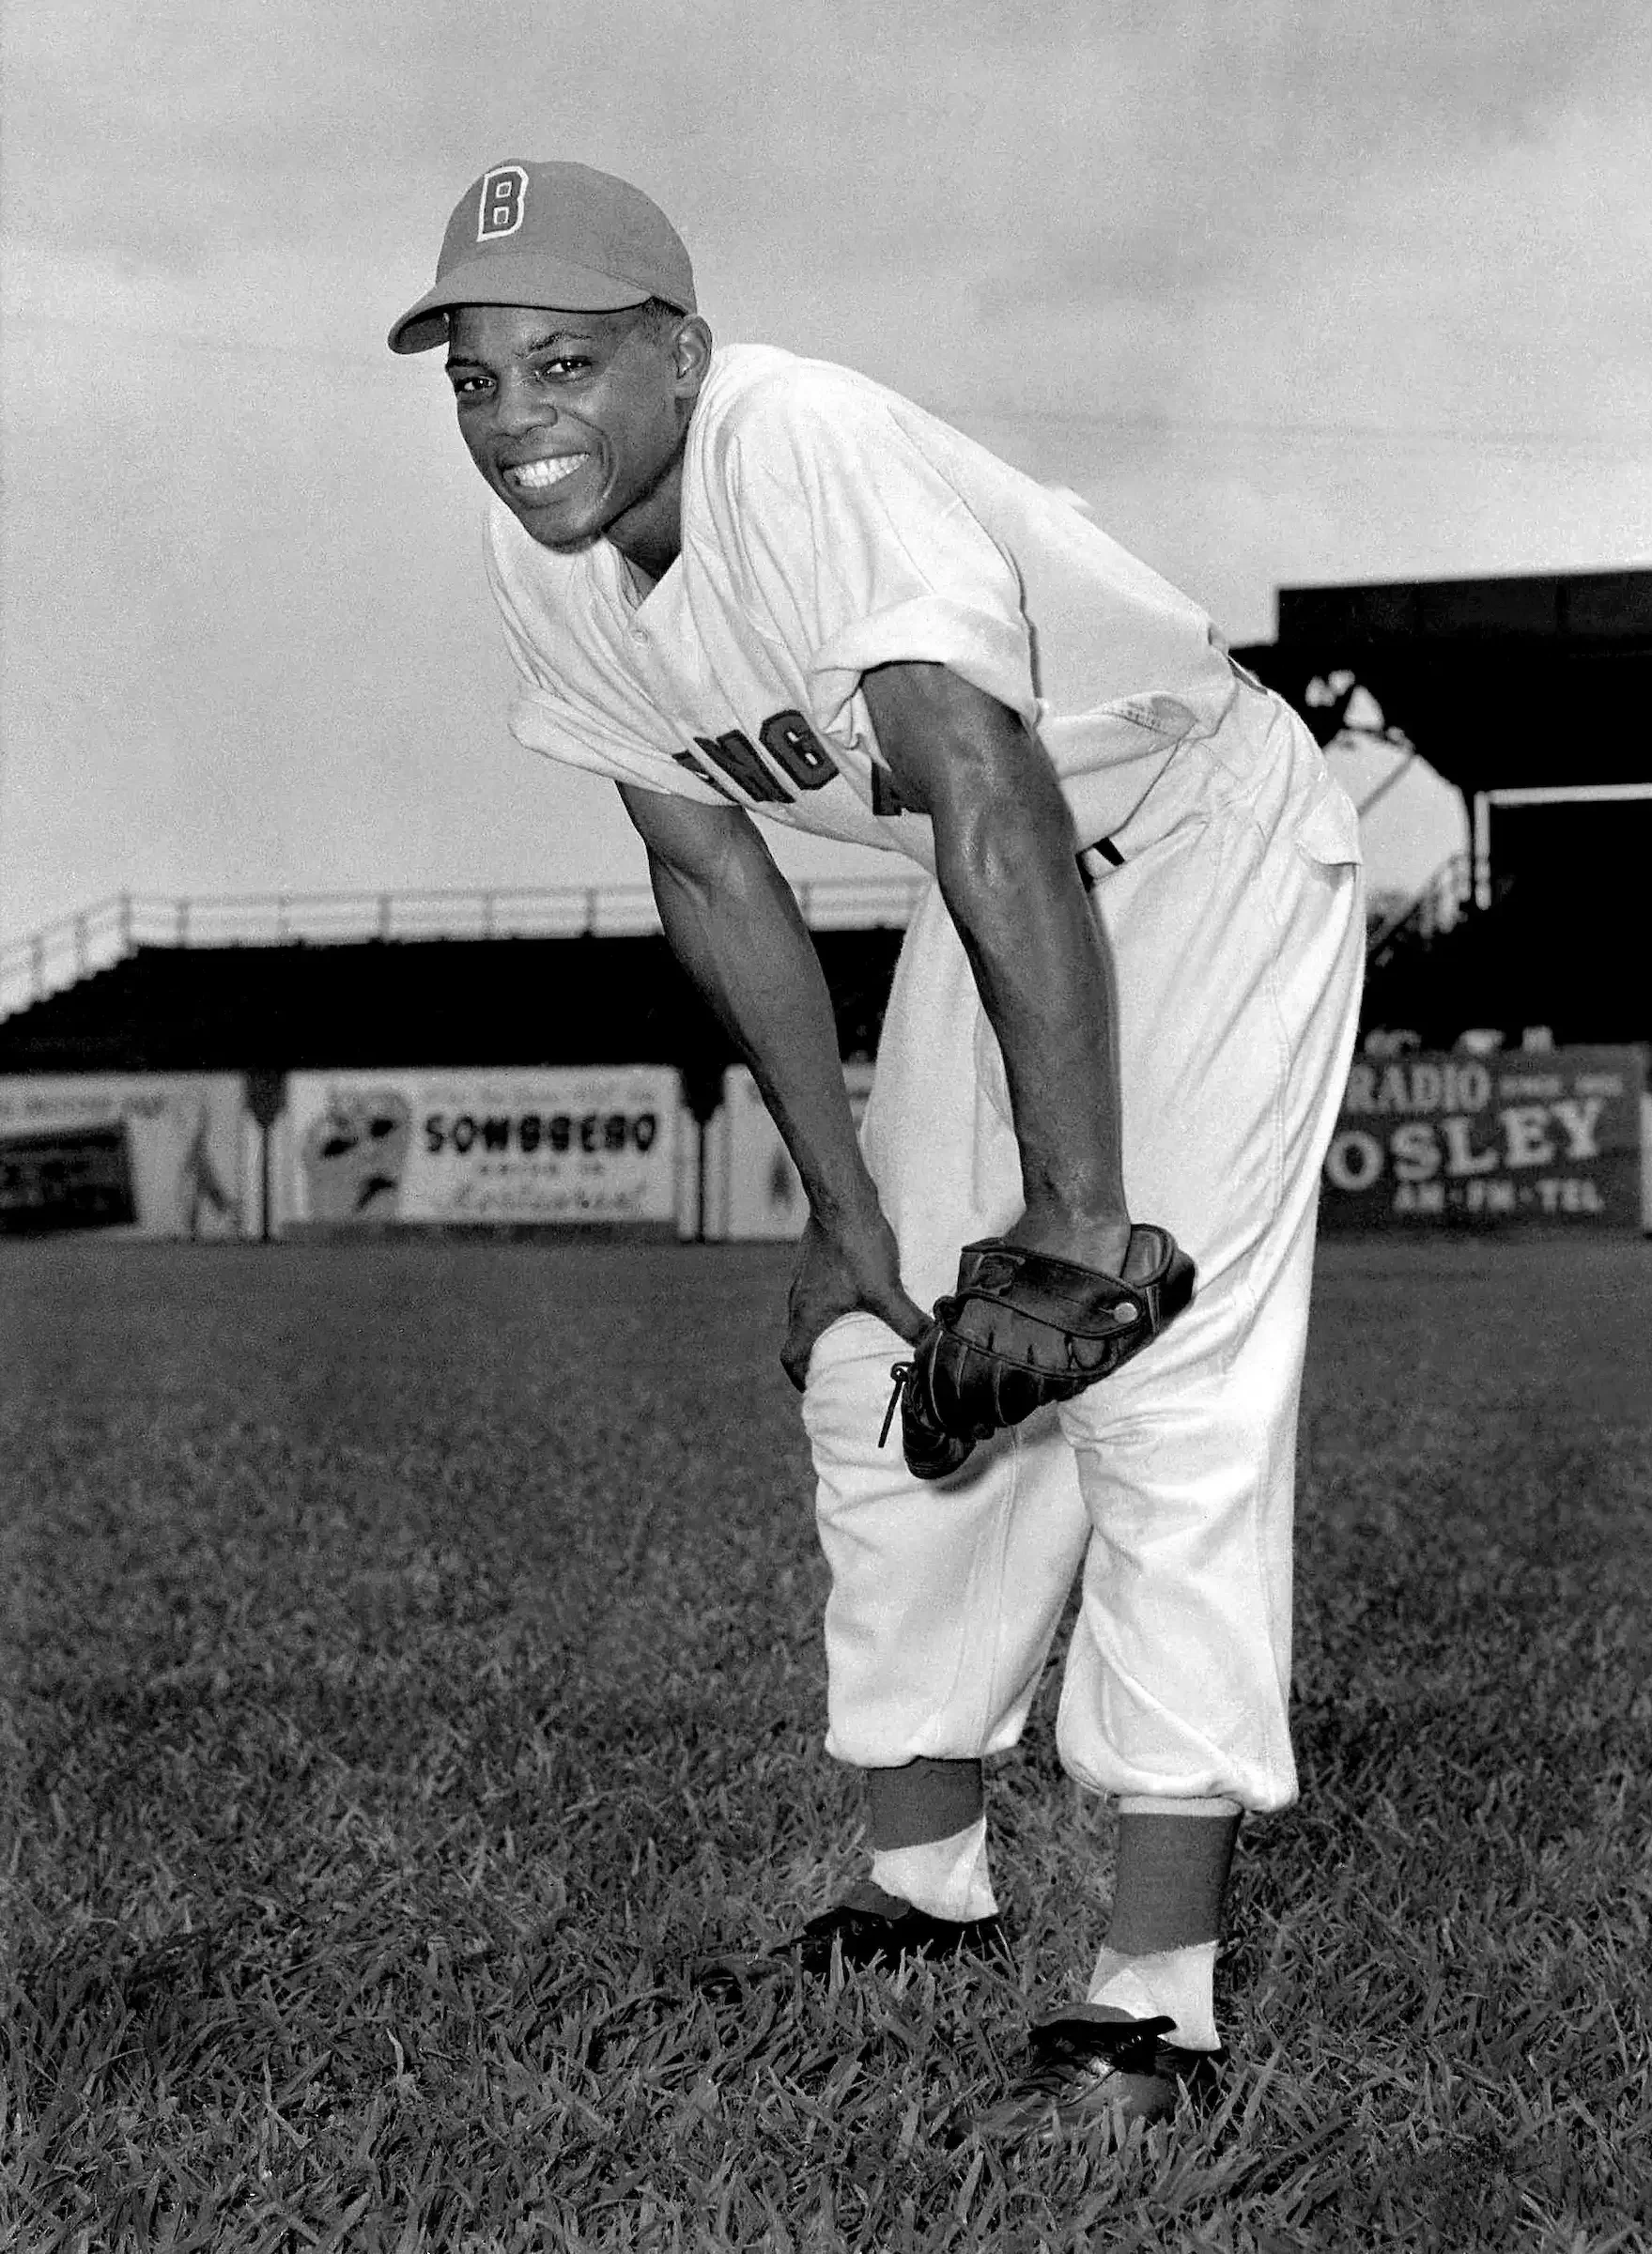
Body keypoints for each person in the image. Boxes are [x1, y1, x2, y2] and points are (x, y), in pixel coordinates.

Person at [390, 160, 1364, 2136]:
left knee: (1146, 1373)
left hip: (1191, 832)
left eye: (565, 363)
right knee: (873, 1355)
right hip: (991, 885)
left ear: (682, 352)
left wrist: (1078, 1212)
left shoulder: (798, 441)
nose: (514, 420)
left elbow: (982, 775)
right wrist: (843, 1212)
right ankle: (921, 1889)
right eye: (476, 379)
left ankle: (1154, 2003)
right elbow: (705, 868)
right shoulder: (550, 554)